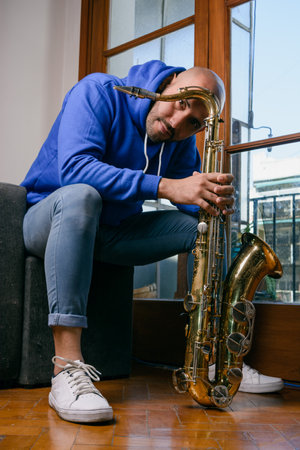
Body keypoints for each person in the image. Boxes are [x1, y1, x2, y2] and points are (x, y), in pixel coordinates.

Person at [21, 60, 283, 424]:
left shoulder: (176, 140)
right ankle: (67, 369)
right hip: (48, 220)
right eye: (181, 102)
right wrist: (167, 186)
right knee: (82, 196)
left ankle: (216, 360)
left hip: (112, 232)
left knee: (205, 228)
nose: (178, 123)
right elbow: (76, 169)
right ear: (170, 82)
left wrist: (213, 202)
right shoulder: (98, 92)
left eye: (193, 121)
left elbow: (189, 201)